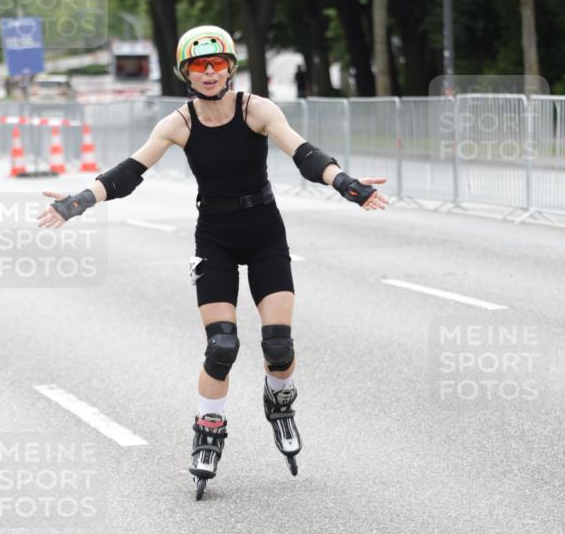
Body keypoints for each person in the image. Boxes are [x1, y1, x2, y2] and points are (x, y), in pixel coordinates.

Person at [36, 25, 388, 500]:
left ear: (230, 68)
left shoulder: (256, 108)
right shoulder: (178, 123)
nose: (208, 73)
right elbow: (130, 172)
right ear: (185, 73)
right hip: (215, 238)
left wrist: (345, 183)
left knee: (278, 346)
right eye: (199, 67)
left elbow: (302, 153)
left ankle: (279, 399)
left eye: (217, 64)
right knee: (222, 346)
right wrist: (80, 200)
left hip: (265, 233)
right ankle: (208, 429)